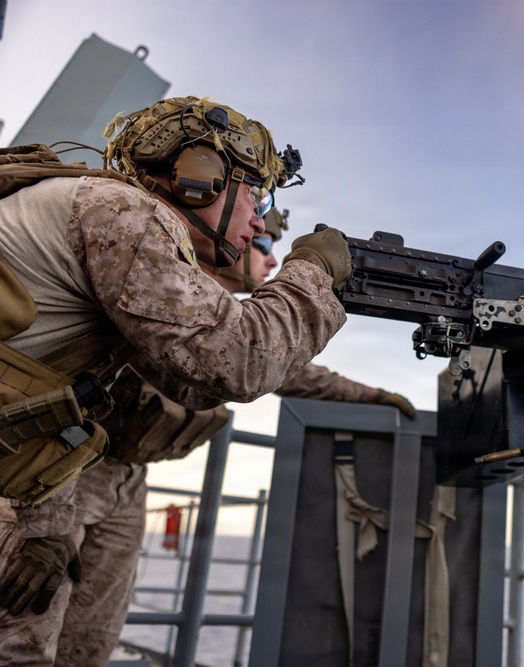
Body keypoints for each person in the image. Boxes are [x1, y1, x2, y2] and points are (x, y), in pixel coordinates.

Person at [0, 95, 357, 664]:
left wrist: (44, 524)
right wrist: (311, 271)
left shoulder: (109, 221)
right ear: (201, 180)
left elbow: (190, 381)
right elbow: (237, 360)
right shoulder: (124, 214)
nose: (261, 222)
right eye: (256, 197)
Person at [42, 207, 415, 666]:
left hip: (128, 481)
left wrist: (373, 396)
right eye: (261, 247)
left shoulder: (228, 322)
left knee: (91, 636)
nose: (272, 261)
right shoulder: (156, 284)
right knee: (33, 624)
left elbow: (293, 373)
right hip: (66, 471)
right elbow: (240, 360)